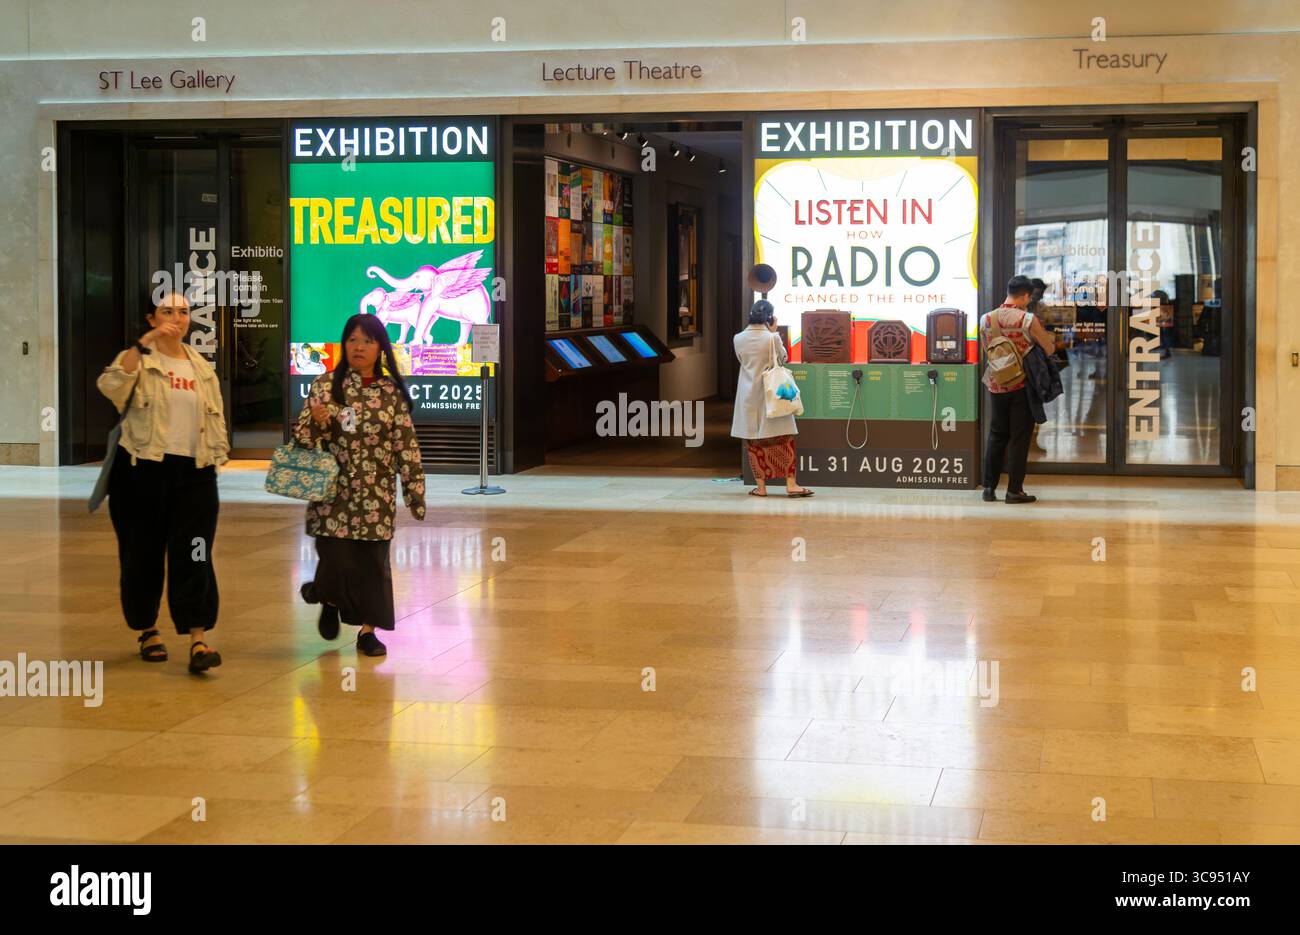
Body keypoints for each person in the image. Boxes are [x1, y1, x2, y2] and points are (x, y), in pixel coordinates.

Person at [96, 291, 228, 674]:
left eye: (184, 311)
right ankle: (148, 629)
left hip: (196, 475)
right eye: (168, 311)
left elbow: (214, 419)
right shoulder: (139, 358)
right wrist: (146, 343)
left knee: (197, 553)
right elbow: (112, 384)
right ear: (151, 318)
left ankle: (198, 639)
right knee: (143, 555)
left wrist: (217, 458)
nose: (177, 318)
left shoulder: (201, 367)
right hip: (141, 472)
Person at [296, 313, 426, 657]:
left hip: (376, 496)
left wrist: (414, 492)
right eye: (353, 340)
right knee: (336, 559)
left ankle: (368, 631)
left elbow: (406, 445)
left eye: (367, 341)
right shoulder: (325, 386)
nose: (359, 347)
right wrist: (318, 421)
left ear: (380, 347)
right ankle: (327, 595)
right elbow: (303, 440)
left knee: (372, 564)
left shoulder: (391, 393)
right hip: (332, 494)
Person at [980, 275, 1055, 504]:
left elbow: (988, 350)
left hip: (996, 384)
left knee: (996, 435)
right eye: (1028, 297)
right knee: (1019, 438)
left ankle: (989, 489)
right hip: (1022, 385)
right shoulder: (1027, 319)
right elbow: (1049, 348)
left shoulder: (986, 319)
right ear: (1024, 296)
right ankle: (1014, 490)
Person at [731, 300, 813, 498]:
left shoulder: (738, 338)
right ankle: (791, 484)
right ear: (769, 317)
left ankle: (761, 488)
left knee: (754, 441)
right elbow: (782, 359)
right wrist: (774, 332)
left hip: (748, 394)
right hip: (773, 393)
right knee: (784, 439)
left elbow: (742, 361)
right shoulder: (772, 338)